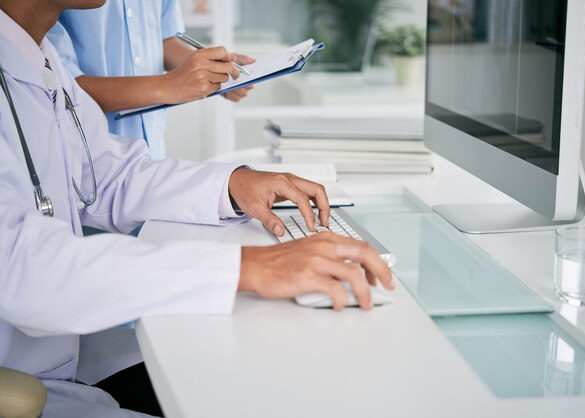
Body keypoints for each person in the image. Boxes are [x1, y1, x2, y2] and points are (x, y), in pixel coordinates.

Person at [0, 1, 394, 417]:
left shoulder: (37, 58)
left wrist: (233, 184)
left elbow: (107, 178)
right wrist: (248, 268)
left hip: (61, 357)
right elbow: (20, 267)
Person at [46, 0, 255, 160]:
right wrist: (169, 86)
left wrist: (216, 70)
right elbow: (58, 85)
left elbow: (163, 40)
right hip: (90, 155)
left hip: (152, 152)